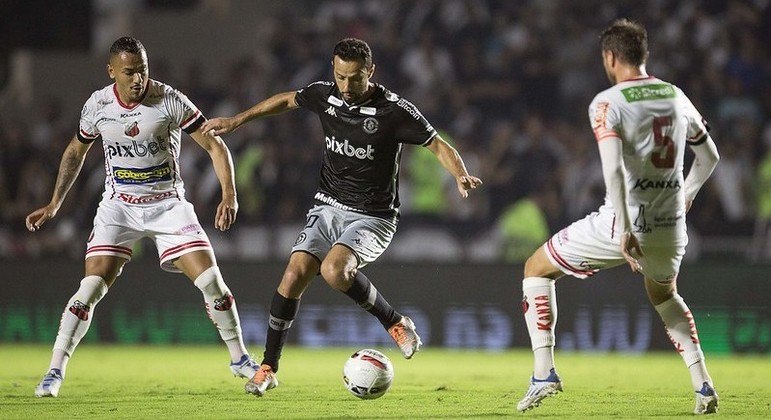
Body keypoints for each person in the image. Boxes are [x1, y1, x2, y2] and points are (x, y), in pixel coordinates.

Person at [201, 37, 482, 397]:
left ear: (371, 72)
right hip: (327, 206)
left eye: (355, 78)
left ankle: (395, 322)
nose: (346, 87)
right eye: (340, 77)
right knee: (294, 274)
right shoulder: (326, 95)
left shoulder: (395, 111)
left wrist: (459, 173)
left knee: (335, 271)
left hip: (374, 216)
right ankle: (268, 368)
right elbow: (287, 99)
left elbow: (437, 144)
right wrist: (238, 120)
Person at [26, 37, 259, 398]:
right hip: (119, 207)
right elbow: (76, 150)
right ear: (112, 72)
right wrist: (56, 202)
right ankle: (54, 372)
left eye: (143, 69)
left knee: (213, 283)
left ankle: (240, 360)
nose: (138, 79)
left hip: (168, 205)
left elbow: (214, 144)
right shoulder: (98, 104)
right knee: (88, 290)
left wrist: (229, 194)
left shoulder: (169, 100)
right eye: (130, 72)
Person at [515, 20, 721, 414]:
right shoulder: (675, 95)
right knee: (664, 295)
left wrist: (625, 230)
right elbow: (710, 156)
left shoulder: (608, 102)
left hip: (622, 222)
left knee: (536, 269)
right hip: (673, 224)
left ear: (609, 57)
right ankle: (704, 386)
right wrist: (688, 194)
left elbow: (611, 172)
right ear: (644, 55)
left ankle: (544, 374)